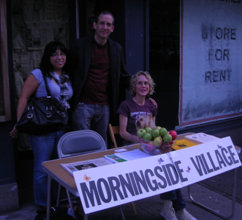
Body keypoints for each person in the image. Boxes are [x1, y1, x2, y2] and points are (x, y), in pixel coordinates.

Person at [117, 71, 197, 220]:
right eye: (139, 83)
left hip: (150, 147)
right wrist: (139, 140)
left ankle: (172, 208)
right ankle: (174, 209)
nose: (143, 86)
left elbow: (153, 130)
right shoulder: (126, 105)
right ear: (134, 86)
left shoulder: (151, 105)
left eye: (146, 83)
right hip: (133, 149)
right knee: (167, 164)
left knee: (171, 161)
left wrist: (159, 141)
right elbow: (122, 133)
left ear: (150, 86)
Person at [10, 41, 73, 220]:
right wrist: (18, 122)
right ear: (48, 57)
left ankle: (54, 204)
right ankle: (42, 207)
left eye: (62, 54)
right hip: (42, 130)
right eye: (54, 54)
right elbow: (23, 97)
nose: (59, 57)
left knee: (56, 168)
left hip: (61, 128)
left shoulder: (66, 76)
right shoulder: (38, 74)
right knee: (41, 168)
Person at [69, 10, 130, 145]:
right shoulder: (80, 46)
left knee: (100, 144)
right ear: (95, 25)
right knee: (82, 145)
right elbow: (69, 71)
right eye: (102, 23)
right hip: (83, 105)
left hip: (105, 106)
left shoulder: (116, 49)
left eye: (108, 25)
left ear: (112, 28)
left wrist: (143, 95)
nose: (105, 27)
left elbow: (123, 75)